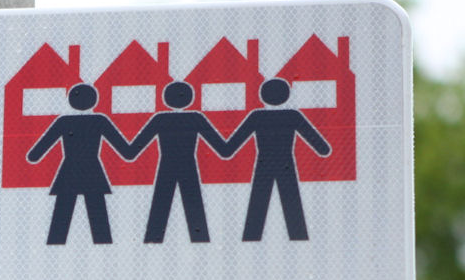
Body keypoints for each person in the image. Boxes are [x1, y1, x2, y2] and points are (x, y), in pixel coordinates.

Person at [223, 78, 331, 241]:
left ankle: (251, 237)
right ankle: (298, 236)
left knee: (258, 202)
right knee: (291, 201)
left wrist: (224, 149)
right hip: (285, 162)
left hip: (264, 163)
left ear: (263, 95)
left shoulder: (257, 116)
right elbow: (322, 147)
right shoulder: (292, 116)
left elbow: (230, 147)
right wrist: (322, 149)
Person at [123, 80, 229, 243]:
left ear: (166, 98)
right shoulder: (195, 118)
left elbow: (132, 151)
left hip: (167, 166)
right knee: (194, 206)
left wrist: (125, 149)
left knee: (160, 207)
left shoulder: (160, 119)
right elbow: (222, 149)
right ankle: (199, 240)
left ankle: (154, 240)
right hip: (188, 165)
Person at [27, 83, 131, 244]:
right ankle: (103, 248)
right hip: (93, 174)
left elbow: (35, 154)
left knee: (59, 224)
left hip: (68, 174)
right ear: (94, 100)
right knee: (100, 224)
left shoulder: (64, 122)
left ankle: (56, 246)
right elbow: (125, 151)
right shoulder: (100, 121)